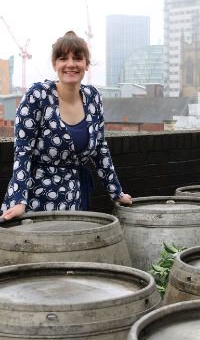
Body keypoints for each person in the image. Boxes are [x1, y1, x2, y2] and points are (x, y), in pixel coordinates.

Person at [1, 31, 132, 220]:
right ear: (55, 64)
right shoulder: (38, 95)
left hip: (74, 200)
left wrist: (116, 193)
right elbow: (23, 152)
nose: (70, 64)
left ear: (86, 64)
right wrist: (19, 200)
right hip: (35, 201)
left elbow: (100, 150)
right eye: (63, 58)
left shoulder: (93, 98)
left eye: (78, 58)